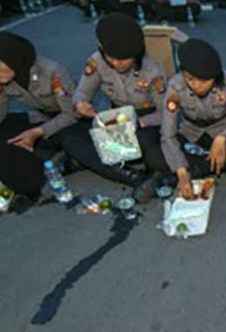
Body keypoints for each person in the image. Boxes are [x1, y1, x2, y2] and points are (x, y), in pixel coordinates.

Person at [63, 13, 169, 197]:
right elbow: (82, 91)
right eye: (111, 57)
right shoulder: (97, 61)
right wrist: (80, 103)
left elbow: (166, 113)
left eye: (124, 59)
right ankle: (133, 173)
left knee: (148, 144)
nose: (116, 63)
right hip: (115, 116)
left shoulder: (153, 70)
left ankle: (108, 162)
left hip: (145, 119)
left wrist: (139, 123)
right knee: (71, 137)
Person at [0, 31, 77, 175]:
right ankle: (39, 149)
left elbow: (72, 113)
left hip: (70, 120)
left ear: (11, 56)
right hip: (42, 118)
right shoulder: (0, 79)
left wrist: (37, 132)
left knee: (73, 140)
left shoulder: (52, 72)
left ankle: (45, 150)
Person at [158, 39, 226, 199]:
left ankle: (195, 169)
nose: (196, 86)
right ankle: (211, 167)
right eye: (190, 79)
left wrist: (222, 139)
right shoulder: (176, 85)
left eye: (204, 81)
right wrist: (181, 172)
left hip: (221, 129)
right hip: (191, 132)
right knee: (154, 152)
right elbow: (168, 134)